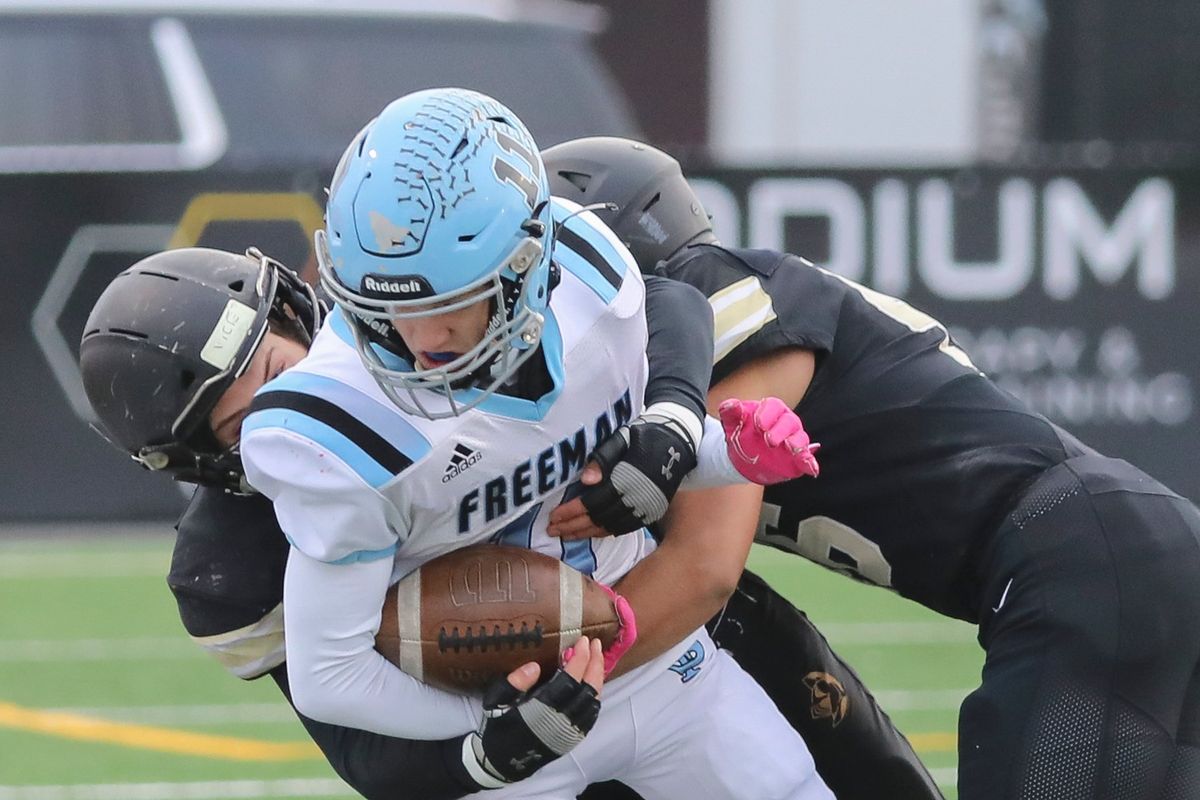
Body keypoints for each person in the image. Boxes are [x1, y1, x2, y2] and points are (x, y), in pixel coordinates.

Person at [82, 243, 939, 799]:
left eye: (276, 370)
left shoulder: (434, 338)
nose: (282, 415)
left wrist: (681, 429)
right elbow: (358, 739)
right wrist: (484, 747)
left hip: (670, 642)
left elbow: (664, 300)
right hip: (503, 737)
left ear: (306, 315)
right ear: (210, 467)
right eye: (243, 424)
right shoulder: (237, 566)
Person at [193, 87, 830, 799]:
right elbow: (329, 675)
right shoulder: (338, 431)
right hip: (505, 721)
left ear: (526, 262)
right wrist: (489, 729)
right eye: (387, 307)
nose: (419, 339)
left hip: (659, 669)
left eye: (444, 303)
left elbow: (608, 467)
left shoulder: (593, 291)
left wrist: (716, 453)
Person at [541, 135, 1200, 800]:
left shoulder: (714, 294)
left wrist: (536, 687)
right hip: (1119, 551)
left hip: (1086, 554)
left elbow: (703, 567)